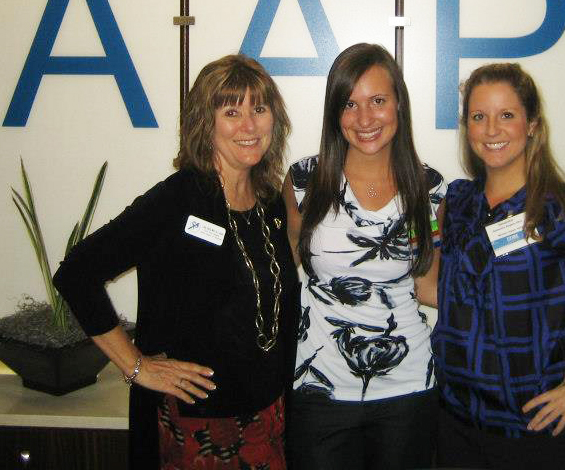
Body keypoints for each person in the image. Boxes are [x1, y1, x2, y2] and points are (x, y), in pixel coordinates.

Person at [53, 54, 299, 470]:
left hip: (267, 419)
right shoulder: (177, 200)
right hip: (196, 430)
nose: (249, 125)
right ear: (207, 124)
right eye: (231, 111)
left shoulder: (271, 203)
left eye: (259, 108)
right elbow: (76, 273)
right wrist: (137, 367)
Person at [423, 63, 565, 469]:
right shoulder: (457, 202)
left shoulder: (558, 206)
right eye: (479, 117)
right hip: (455, 420)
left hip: (532, 430)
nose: (492, 129)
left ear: (531, 125)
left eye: (506, 115)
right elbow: (438, 291)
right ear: (467, 126)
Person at [283, 43, 445, 470]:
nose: (366, 119)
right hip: (319, 389)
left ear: (399, 105)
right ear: (335, 112)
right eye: (350, 104)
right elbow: (278, 274)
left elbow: (429, 286)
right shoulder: (305, 180)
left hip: (409, 389)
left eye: (378, 101)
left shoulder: (430, 189)